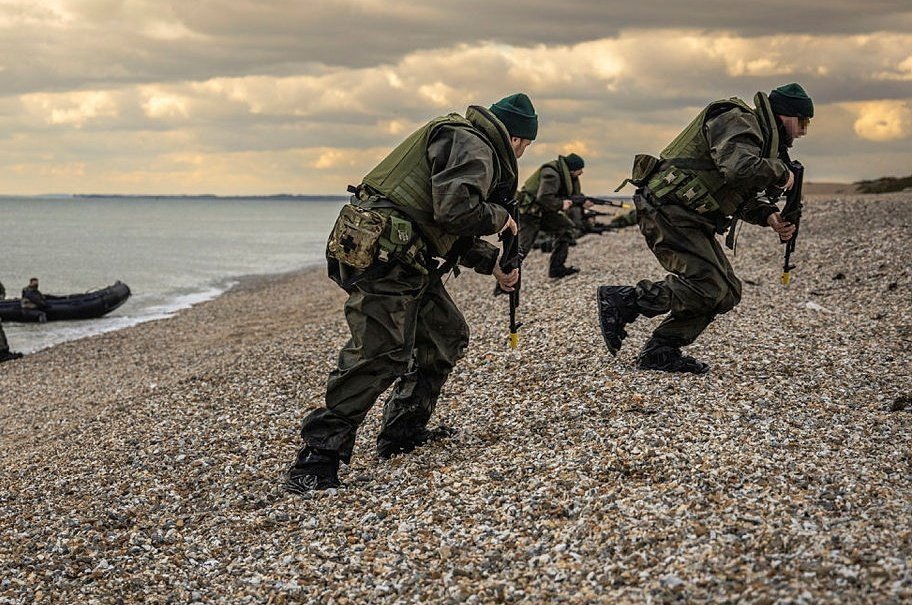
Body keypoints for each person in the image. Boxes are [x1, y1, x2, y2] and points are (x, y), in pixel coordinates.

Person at [283, 93, 536, 494]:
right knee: (381, 351)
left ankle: (402, 433)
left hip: (406, 256)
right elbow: (455, 211)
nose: (521, 155)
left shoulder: (466, 140)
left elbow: (438, 223)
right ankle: (316, 458)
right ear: (518, 139)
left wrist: (493, 263)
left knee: (444, 336)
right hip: (388, 257)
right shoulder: (473, 144)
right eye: (525, 146)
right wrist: (501, 219)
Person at [597, 83, 810, 374]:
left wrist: (770, 216)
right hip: (668, 209)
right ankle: (626, 300)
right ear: (785, 115)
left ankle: (661, 350)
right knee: (708, 286)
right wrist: (781, 172)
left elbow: (734, 192)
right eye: (802, 122)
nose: (803, 131)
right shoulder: (737, 119)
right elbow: (738, 169)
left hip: (688, 216)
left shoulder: (757, 139)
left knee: (727, 292)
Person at [515, 153, 589, 279]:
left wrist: (583, 202)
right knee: (521, 249)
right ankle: (504, 283)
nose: (581, 172)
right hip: (530, 213)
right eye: (579, 169)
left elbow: (567, 195)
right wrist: (561, 204)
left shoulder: (563, 175)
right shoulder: (552, 174)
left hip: (543, 212)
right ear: (572, 169)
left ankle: (557, 269)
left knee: (566, 228)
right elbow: (544, 198)